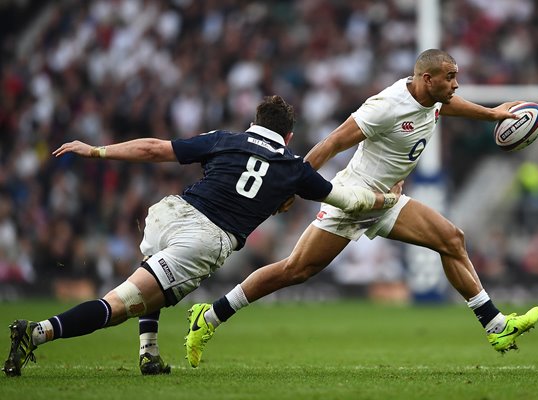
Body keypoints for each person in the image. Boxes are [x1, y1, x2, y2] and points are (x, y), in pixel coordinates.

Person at [185, 49, 538, 368]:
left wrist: (493, 114)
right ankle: (212, 315)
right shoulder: (385, 106)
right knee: (295, 270)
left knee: (451, 239)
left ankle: (496, 326)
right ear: (426, 78)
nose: (456, 84)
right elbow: (333, 142)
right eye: (450, 77)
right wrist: (293, 184)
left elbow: (447, 105)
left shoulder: (434, 96)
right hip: (353, 197)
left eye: (456, 77)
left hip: (387, 200)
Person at [2, 95, 403, 377]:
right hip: (204, 238)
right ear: (290, 137)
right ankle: (39, 332)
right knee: (120, 303)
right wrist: (385, 196)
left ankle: (149, 353)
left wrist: (98, 151)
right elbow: (347, 199)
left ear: (254, 124)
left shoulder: (224, 139)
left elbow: (154, 149)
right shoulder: (293, 168)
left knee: (151, 278)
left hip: (168, 214)